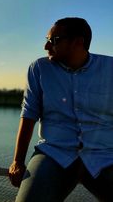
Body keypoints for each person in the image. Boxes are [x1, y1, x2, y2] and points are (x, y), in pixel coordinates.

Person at [8, 17, 113, 202]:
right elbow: (29, 114)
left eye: (54, 40)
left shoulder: (110, 69)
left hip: (105, 156)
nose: (46, 46)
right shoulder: (39, 69)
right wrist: (17, 161)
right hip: (54, 154)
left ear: (78, 42)